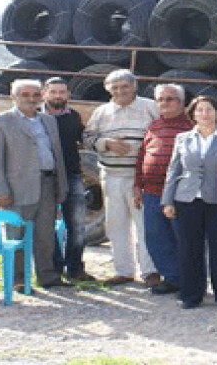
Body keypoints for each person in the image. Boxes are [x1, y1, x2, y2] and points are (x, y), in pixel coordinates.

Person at [0, 79, 70, 289]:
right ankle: (18, 279)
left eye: (35, 95)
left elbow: (56, 154)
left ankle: (48, 277)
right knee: (16, 235)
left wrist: (61, 187)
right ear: (14, 97)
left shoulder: (48, 121)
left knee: (45, 235)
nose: (31, 99)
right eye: (25, 95)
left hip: (48, 183)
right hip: (17, 188)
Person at [162, 95, 217, 309]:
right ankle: (191, 295)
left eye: (209, 109)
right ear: (193, 114)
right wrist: (167, 201)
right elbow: (174, 170)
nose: (204, 114)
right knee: (188, 249)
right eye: (200, 110)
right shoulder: (183, 138)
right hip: (186, 200)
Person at [83, 69, 160, 287]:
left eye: (124, 86)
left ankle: (150, 271)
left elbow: (162, 133)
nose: (120, 91)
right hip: (111, 175)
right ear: (108, 89)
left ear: (134, 86)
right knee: (116, 226)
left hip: (140, 178)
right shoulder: (102, 112)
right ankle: (123, 271)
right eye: (115, 88)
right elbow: (88, 138)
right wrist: (106, 144)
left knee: (145, 225)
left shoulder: (150, 107)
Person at [135, 83, 192, 295]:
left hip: (180, 193)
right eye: (160, 99)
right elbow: (142, 156)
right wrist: (137, 186)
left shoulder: (191, 127)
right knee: (156, 237)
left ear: (181, 102)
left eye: (170, 99)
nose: (164, 103)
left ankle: (190, 280)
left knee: (182, 238)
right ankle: (172, 278)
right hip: (151, 192)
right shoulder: (153, 126)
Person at [42, 77, 95, 282]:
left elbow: (83, 139)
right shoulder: (36, 117)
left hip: (72, 176)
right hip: (45, 177)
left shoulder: (73, 116)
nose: (58, 96)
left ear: (68, 95)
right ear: (45, 93)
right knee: (47, 225)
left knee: (78, 224)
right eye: (53, 92)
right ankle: (54, 268)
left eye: (62, 92)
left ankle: (75, 268)